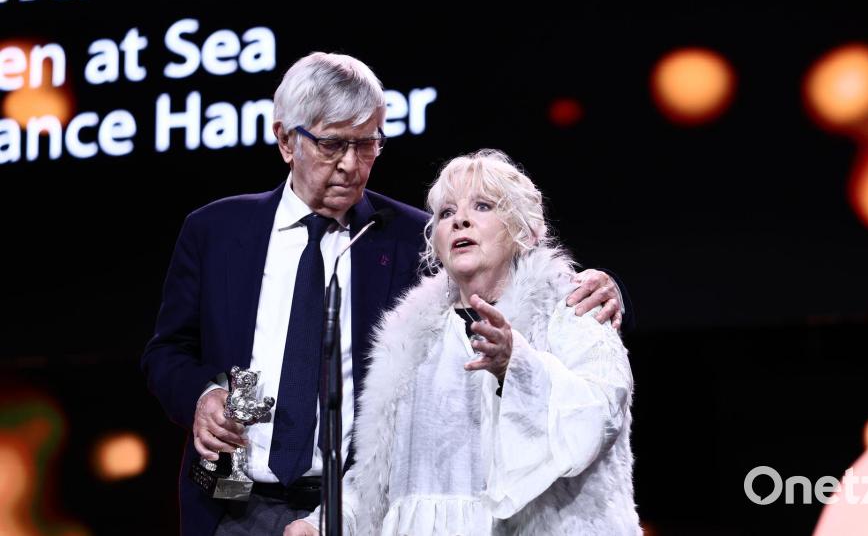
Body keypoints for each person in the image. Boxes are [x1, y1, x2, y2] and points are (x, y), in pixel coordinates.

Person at [142, 52, 629, 536]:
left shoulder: (413, 237)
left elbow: (513, 267)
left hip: (358, 505)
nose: (351, 166)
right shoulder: (217, 231)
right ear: (286, 140)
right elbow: (168, 352)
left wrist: (602, 286)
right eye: (333, 144)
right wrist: (203, 396)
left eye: (368, 144)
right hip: (234, 495)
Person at [286, 149, 640, 536]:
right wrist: (319, 524)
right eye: (446, 213)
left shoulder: (573, 305)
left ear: (527, 229)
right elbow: (382, 478)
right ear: (434, 241)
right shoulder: (410, 342)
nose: (461, 221)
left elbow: (597, 416)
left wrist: (515, 366)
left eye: (483, 205)